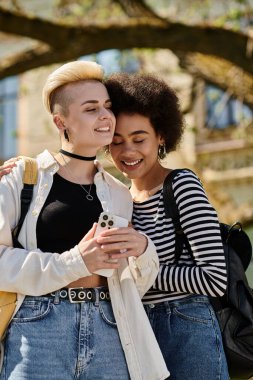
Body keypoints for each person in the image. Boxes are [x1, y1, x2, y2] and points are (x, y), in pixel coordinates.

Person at [0, 62, 170, 380]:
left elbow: (132, 283)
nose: (105, 116)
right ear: (60, 121)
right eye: (91, 108)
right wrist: (76, 262)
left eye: (107, 106)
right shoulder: (21, 178)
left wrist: (144, 249)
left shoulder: (120, 193)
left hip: (111, 328)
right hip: (38, 329)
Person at [104, 73, 229, 380]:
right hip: (136, 331)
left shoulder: (182, 184)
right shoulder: (116, 198)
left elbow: (214, 279)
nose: (128, 151)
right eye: (117, 142)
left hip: (185, 326)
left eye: (139, 139)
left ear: (161, 135)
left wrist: (143, 266)